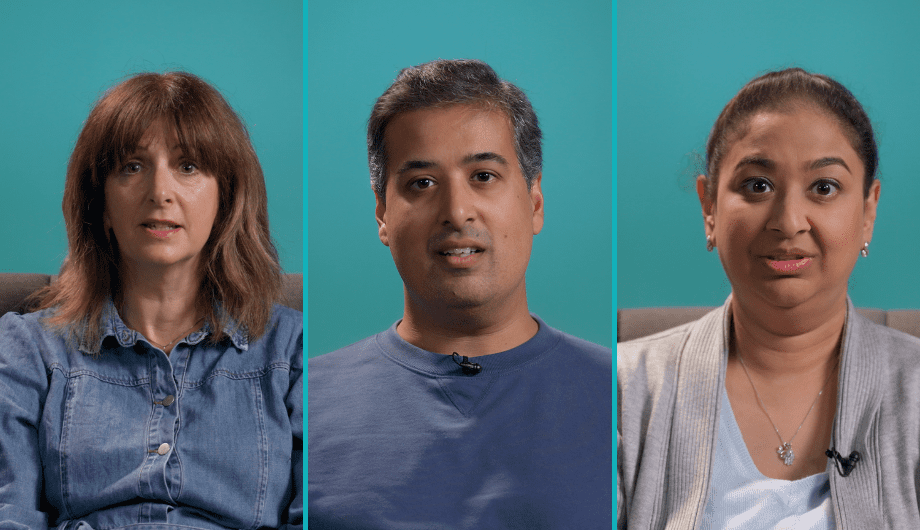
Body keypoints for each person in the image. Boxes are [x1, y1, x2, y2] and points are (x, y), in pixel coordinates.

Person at [308, 59, 612, 528]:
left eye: (484, 176)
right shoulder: (300, 403)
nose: (456, 210)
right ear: (382, 215)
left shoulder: (629, 398)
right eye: (422, 183)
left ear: (534, 204)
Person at [618, 68, 920, 528]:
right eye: (758, 185)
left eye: (824, 188)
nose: (789, 221)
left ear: (867, 212)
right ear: (710, 209)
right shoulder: (618, 390)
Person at [0, 72, 303, 529]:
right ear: (99, 204)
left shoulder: (294, 350)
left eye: (188, 167)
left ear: (227, 198)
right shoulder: (26, 349)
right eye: (131, 166)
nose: (160, 192)